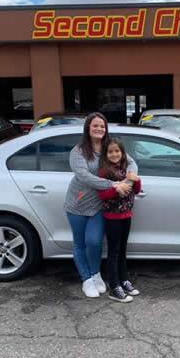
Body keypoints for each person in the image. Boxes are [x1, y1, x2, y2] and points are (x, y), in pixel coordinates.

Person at [64, 112, 137, 298]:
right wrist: (115, 185)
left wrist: (129, 182)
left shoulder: (109, 147)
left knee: (94, 242)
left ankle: (96, 274)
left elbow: (132, 163)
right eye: (95, 125)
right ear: (88, 128)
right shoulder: (78, 151)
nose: (99, 129)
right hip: (77, 203)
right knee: (80, 243)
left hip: (98, 204)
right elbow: (85, 177)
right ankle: (86, 279)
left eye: (102, 126)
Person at [98, 138, 142, 303]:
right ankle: (114, 286)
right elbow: (102, 195)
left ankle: (124, 280)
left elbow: (136, 190)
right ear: (105, 154)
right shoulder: (104, 172)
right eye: (110, 152)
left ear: (123, 153)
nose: (114, 154)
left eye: (117, 151)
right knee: (114, 252)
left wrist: (136, 180)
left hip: (126, 216)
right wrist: (117, 188)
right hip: (112, 218)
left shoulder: (126, 169)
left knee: (123, 250)